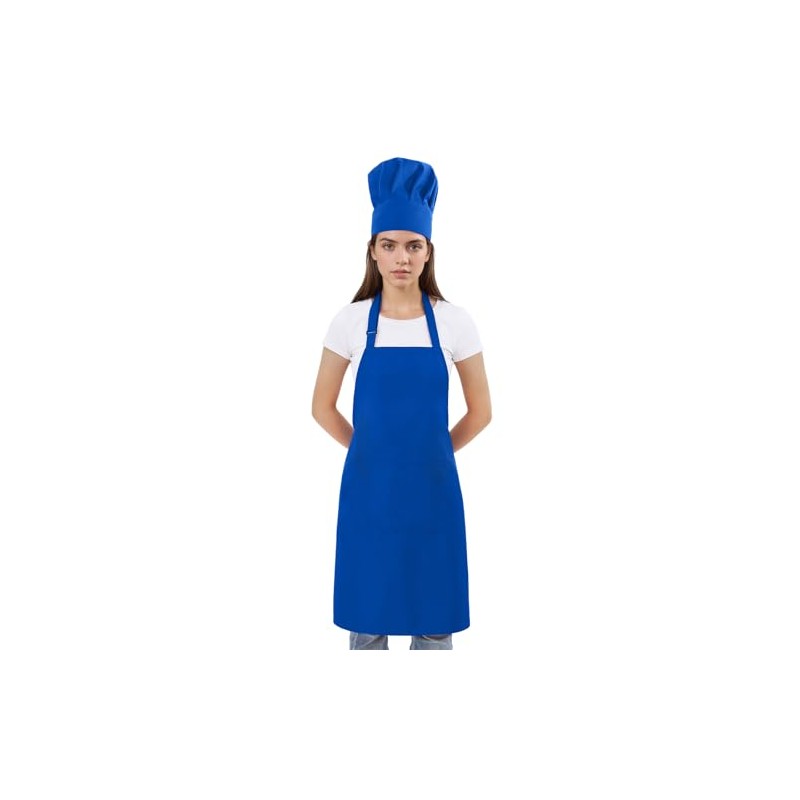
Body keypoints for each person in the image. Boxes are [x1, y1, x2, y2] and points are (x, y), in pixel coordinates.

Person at [311, 157, 492, 650]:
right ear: (372, 251)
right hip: (369, 495)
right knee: (368, 623)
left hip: (434, 494)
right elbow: (322, 407)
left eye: (414, 246)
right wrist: (370, 451)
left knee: (434, 624)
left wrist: (432, 453)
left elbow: (481, 411)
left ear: (429, 252)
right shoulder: (350, 322)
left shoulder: (454, 322)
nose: (401, 258)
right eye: (389, 245)